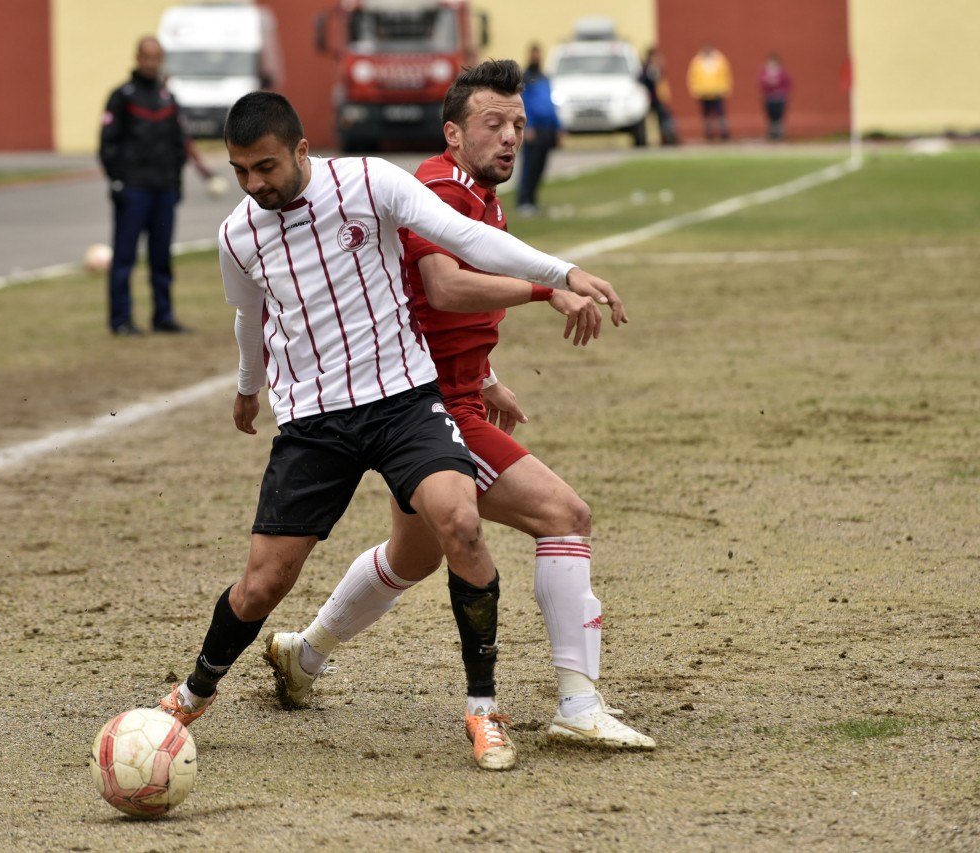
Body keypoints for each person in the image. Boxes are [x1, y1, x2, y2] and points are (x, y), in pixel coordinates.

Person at [156, 90, 623, 771]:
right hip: (314, 421)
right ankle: (195, 691)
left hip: (403, 400)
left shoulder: (368, 182)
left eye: (266, 167)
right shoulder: (237, 233)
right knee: (264, 583)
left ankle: (483, 710)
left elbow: (464, 239)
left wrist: (561, 273)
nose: (255, 184)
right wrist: (248, 385)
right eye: (240, 171)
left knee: (458, 524)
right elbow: (246, 313)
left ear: (302, 151)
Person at [262, 60, 655, 754]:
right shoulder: (440, 186)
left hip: (451, 391)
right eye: (492, 124)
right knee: (565, 515)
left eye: (519, 125)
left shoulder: (480, 194)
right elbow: (444, 285)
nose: (510, 137)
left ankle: (305, 653)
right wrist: (546, 289)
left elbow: (424, 304)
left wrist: (490, 371)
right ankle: (579, 702)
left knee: (412, 555)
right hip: (428, 408)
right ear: (454, 131)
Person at [98, 36, 216, 336]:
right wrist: (118, 181)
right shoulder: (122, 96)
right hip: (134, 189)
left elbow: (180, 145)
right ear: (137, 58)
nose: (151, 62)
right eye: (146, 56)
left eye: (156, 57)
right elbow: (107, 144)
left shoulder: (168, 98)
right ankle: (121, 319)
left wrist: (176, 186)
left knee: (161, 257)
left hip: (164, 190)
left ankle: (163, 316)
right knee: (124, 257)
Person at [516, 43, 562, 216]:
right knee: (530, 166)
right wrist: (527, 126)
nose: (536, 57)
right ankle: (523, 201)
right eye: (534, 54)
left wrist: (558, 126)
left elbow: (550, 104)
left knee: (541, 167)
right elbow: (524, 104)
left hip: (547, 128)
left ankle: (533, 201)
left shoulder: (544, 77)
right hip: (533, 129)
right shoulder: (526, 78)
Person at [686, 42, 732, 141]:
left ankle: (724, 133)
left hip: (717, 91)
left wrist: (725, 88)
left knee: (720, 114)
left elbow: (725, 75)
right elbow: (692, 77)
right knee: (706, 115)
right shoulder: (697, 61)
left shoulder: (719, 60)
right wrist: (695, 89)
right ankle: (708, 133)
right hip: (703, 92)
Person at [640, 47, 680, 146]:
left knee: (664, 117)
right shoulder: (646, 69)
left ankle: (668, 138)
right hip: (651, 99)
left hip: (658, 99)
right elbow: (645, 82)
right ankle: (667, 138)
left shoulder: (655, 68)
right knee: (662, 117)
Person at [759, 53, 793, 140]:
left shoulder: (782, 73)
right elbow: (761, 83)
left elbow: (788, 84)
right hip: (769, 98)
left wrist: (781, 92)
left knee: (778, 118)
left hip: (779, 99)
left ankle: (779, 136)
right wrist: (768, 83)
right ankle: (772, 135)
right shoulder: (765, 72)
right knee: (771, 118)